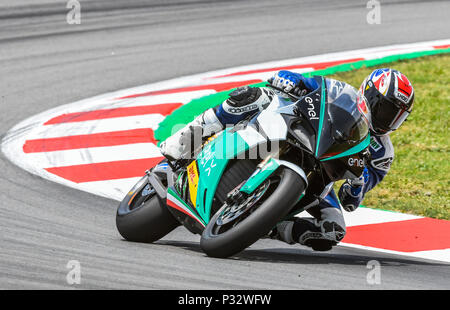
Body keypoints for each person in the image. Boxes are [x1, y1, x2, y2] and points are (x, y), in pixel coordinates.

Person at [160, 68, 415, 251]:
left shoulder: (383, 153)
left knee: (333, 229)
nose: (390, 120)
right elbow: (293, 79)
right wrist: (288, 82)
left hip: (322, 176)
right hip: (291, 129)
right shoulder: (342, 94)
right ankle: (185, 139)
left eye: (398, 116)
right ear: (370, 94)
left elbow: (352, 202)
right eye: (387, 109)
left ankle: (268, 226)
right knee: (250, 95)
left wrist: (357, 184)